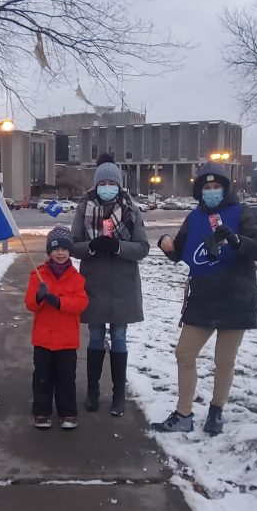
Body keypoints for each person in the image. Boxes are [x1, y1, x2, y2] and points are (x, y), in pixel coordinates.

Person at [154, 162, 257, 434]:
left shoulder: (240, 212)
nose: (212, 191)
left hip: (236, 297)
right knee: (184, 353)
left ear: (226, 188)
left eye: (217, 186)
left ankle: (216, 411)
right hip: (202, 298)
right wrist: (166, 244)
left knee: (224, 360)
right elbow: (181, 251)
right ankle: (184, 414)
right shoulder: (194, 218)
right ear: (199, 191)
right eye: (207, 187)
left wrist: (237, 240)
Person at [71, 156, 149, 416]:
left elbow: (142, 248)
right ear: (96, 184)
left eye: (111, 182)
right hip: (94, 283)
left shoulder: (131, 209)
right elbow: (74, 245)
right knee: (94, 337)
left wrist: (117, 246)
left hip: (123, 286)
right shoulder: (84, 207)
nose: (107, 187)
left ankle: (118, 395)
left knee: (118, 337)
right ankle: (93, 391)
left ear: (119, 184)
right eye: (102, 182)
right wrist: (92, 247)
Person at [25, 225, 89, 429]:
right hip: (43, 339)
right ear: (49, 252)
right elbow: (30, 305)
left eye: (64, 249)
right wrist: (40, 297)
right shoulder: (38, 275)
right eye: (55, 249)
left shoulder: (77, 278)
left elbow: (80, 303)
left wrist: (58, 301)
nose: (60, 253)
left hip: (66, 340)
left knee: (66, 379)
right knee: (42, 377)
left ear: (70, 251)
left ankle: (68, 412)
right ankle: (42, 412)